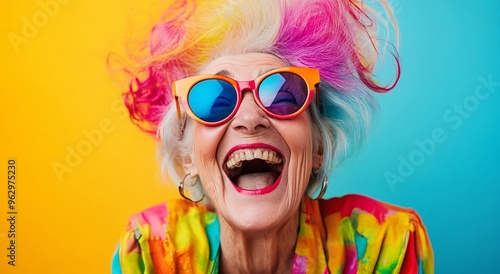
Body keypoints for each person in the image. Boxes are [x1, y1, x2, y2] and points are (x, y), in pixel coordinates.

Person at [111, 0, 434, 273]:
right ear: (188, 157)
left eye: (282, 94)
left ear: (318, 144)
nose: (250, 120)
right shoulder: (151, 252)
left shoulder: (384, 244)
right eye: (214, 99)